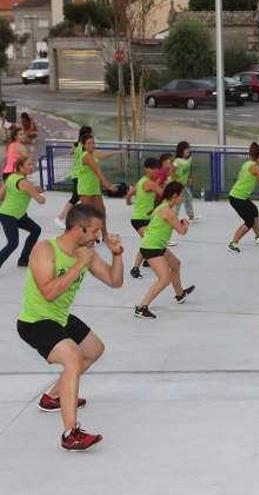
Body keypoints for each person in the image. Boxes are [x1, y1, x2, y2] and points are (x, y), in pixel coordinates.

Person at [16, 204, 124, 450]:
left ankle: (53, 396)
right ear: (78, 229)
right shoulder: (45, 249)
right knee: (73, 358)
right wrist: (78, 266)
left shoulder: (88, 253)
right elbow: (49, 292)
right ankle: (70, 433)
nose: (98, 236)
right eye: (95, 231)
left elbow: (114, 281)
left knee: (94, 349)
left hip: (60, 318)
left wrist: (117, 254)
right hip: (35, 321)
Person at [134, 182, 195, 319]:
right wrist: (185, 224)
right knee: (164, 279)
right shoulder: (168, 211)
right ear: (175, 196)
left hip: (157, 245)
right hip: (152, 246)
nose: (182, 198)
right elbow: (181, 232)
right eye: (181, 195)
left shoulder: (164, 206)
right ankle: (142, 307)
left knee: (175, 264)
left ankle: (180, 294)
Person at [0, 157, 45, 269]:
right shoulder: (25, 182)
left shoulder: (11, 177)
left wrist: (33, 190)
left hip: (18, 215)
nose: (32, 167)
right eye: (29, 164)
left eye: (32, 164)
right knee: (13, 243)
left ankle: (23, 260)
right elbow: (40, 201)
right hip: (9, 215)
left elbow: (1, 195)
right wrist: (36, 192)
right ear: (20, 167)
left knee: (36, 230)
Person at [227, 142, 259, 253]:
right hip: (238, 198)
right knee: (249, 221)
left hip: (238, 195)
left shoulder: (247, 163)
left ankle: (258, 235)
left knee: (254, 210)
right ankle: (233, 243)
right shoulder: (256, 168)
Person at [77, 135, 119, 242]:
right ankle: (86, 237)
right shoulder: (86, 156)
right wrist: (108, 186)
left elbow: (103, 156)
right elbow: (98, 172)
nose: (92, 145)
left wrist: (116, 152)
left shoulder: (93, 153)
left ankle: (105, 235)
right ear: (83, 145)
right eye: (89, 143)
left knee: (101, 211)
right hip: (85, 189)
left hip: (94, 188)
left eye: (93, 143)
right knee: (88, 214)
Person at [128, 158, 163, 280]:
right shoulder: (149, 183)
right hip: (140, 219)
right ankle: (135, 268)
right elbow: (163, 194)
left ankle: (147, 260)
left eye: (157, 170)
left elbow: (130, 193)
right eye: (153, 169)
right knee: (148, 241)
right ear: (147, 169)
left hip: (145, 218)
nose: (155, 172)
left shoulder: (142, 181)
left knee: (149, 241)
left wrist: (128, 200)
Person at [54, 126, 92, 230]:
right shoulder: (83, 147)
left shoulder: (76, 145)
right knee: (76, 197)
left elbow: (71, 153)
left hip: (76, 174)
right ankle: (61, 217)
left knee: (79, 197)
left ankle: (77, 219)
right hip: (79, 175)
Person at [173, 141, 201, 222]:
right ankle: (173, 218)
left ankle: (191, 216)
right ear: (181, 150)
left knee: (188, 198)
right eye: (186, 149)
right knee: (178, 201)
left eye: (188, 149)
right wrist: (176, 180)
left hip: (184, 184)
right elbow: (172, 171)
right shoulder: (177, 161)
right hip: (177, 185)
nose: (188, 151)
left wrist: (190, 177)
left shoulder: (189, 159)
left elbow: (189, 169)